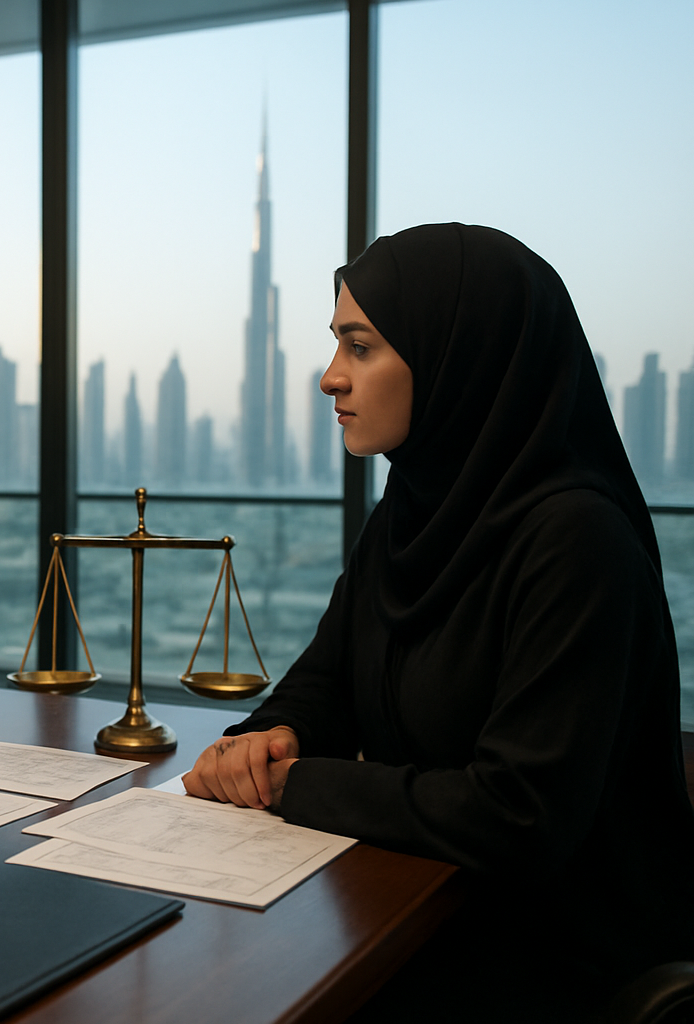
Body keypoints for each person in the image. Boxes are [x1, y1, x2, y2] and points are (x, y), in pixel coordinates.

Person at [182, 223, 694, 1017]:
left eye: (359, 347)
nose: (329, 377)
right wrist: (268, 739)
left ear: (461, 357)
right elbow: (322, 687)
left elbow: (517, 815)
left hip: (552, 965)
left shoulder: (578, 542)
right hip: (419, 914)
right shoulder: (408, 515)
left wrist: (294, 782)